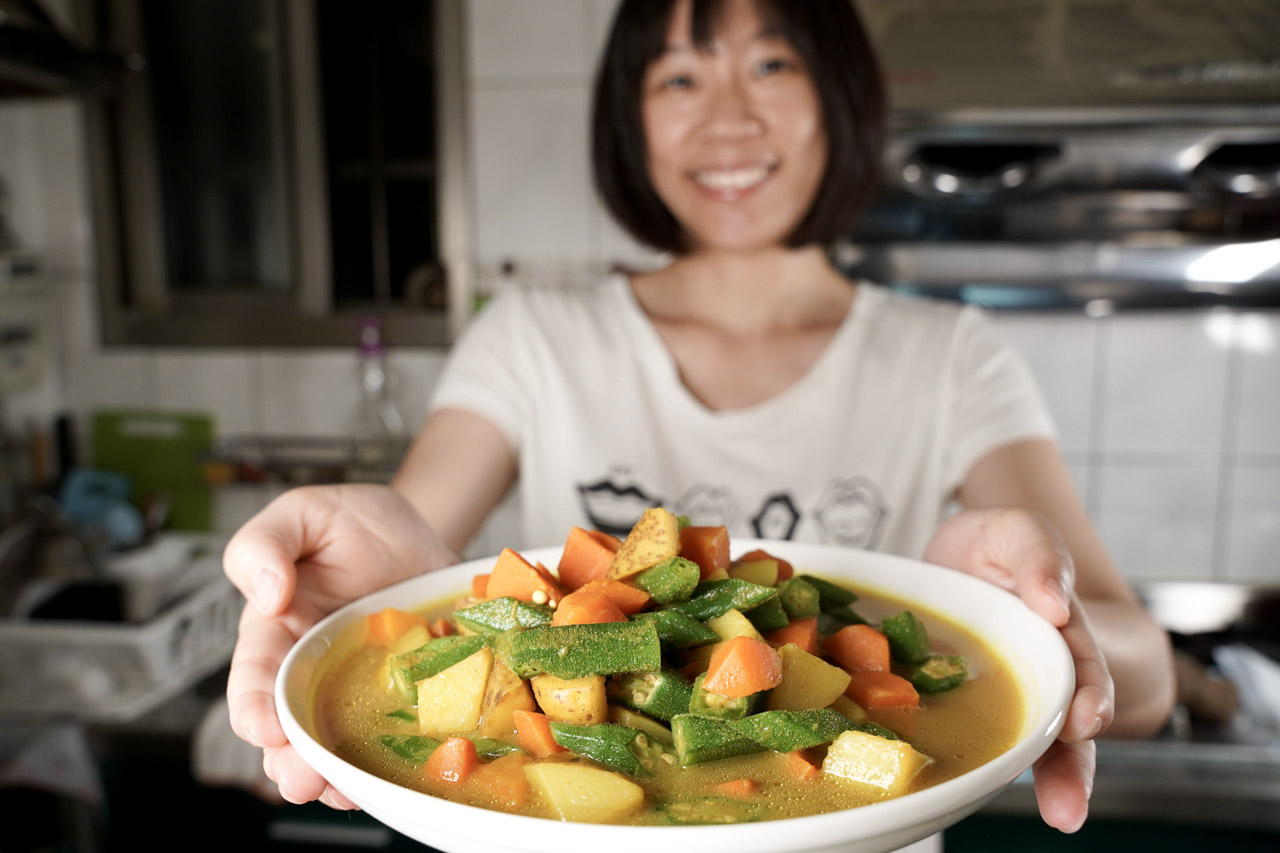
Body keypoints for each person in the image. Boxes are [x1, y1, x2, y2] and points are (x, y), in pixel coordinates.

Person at [222, 0, 1176, 841]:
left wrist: (1021, 623)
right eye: (681, 76)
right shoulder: (535, 336)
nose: (727, 117)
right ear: (630, 120)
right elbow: (419, 558)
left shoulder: (952, 352)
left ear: (837, 97)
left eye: (770, 64)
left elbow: (1146, 670)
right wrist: (366, 603)